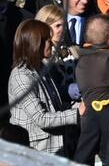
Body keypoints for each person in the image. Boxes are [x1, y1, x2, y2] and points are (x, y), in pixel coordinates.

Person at [8, 19, 82, 156]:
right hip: (37, 151)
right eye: (48, 40)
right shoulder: (21, 76)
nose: (52, 44)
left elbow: (52, 101)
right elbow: (41, 118)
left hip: (55, 146)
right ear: (37, 44)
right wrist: (77, 114)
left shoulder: (41, 68)